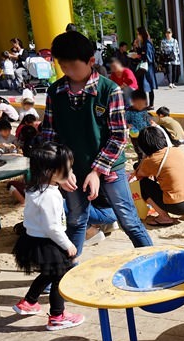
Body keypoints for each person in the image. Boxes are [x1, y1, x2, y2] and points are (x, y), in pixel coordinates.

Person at [41, 30, 153, 256]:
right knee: (75, 220)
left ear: (91, 61)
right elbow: (49, 135)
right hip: (72, 169)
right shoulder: (55, 91)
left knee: (128, 219)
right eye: (64, 67)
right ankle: (67, 272)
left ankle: (155, 262)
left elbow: (119, 136)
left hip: (109, 168)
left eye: (73, 66)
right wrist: (61, 170)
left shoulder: (109, 90)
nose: (69, 72)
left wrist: (97, 171)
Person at [11, 142, 85, 330]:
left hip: (33, 239)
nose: (70, 170)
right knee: (59, 276)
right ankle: (57, 316)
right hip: (48, 242)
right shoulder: (50, 196)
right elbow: (52, 227)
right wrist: (68, 244)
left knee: (48, 273)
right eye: (67, 167)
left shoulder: (34, 188)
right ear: (51, 171)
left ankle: (29, 302)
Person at [134, 127, 184, 226]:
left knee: (143, 184)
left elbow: (139, 175)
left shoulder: (151, 160)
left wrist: (144, 158)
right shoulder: (176, 151)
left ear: (144, 146)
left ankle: (164, 217)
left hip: (178, 206)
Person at [132, 26, 157, 109]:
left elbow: (147, 56)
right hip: (146, 68)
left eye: (138, 34)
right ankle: (146, 104)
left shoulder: (147, 43)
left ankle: (151, 104)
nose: (137, 36)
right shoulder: (145, 43)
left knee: (148, 85)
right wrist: (137, 47)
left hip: (147, 68)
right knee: (145, 86)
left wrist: (139, 56)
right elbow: (143, 52)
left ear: (141, 34)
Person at [125, 89, 155, 157]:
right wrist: (128, 125)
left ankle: (146, 156)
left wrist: (151, 124)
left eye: (143, 104)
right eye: (138, 104)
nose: (140, 106)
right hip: (135, 134)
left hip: (146, 133)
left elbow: (148, 120)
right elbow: (125, 121)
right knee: (138, 148)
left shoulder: (145, 111)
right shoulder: (129, 111)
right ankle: (140, 157)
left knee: (147, 146)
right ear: (133, 102)